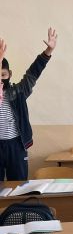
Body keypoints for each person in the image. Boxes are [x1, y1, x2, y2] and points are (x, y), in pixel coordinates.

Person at [0, 28, 58, 181]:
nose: (1, 79)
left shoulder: (18, 91)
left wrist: (48, 51)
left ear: (9, 74)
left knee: (19, 185)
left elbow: (33, 73)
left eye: (3, 75)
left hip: (16, 145)